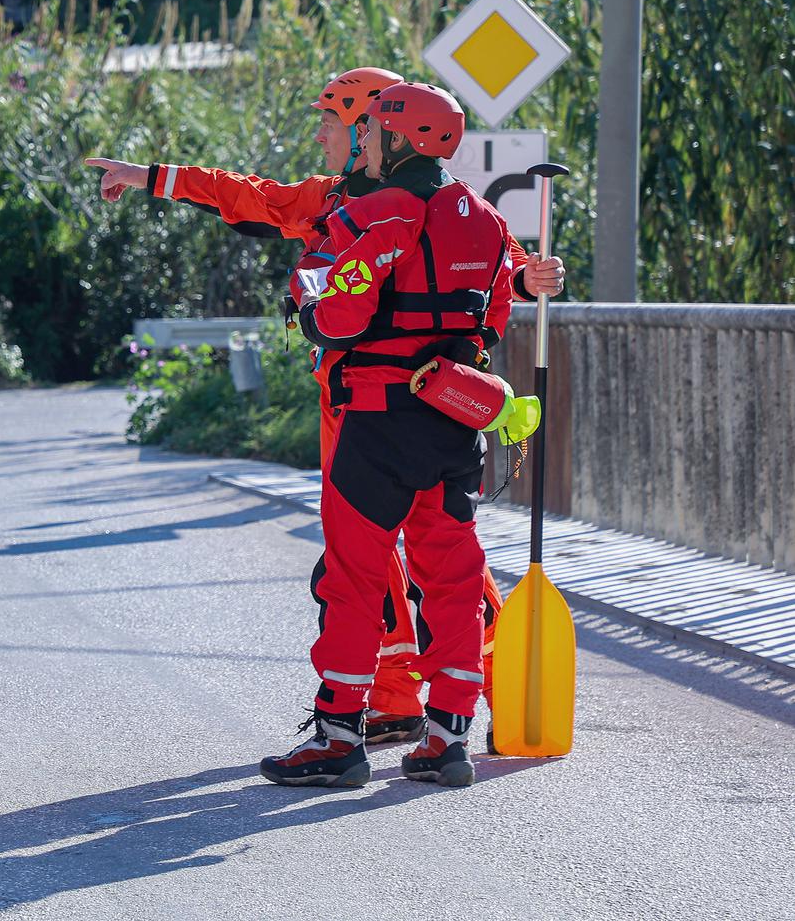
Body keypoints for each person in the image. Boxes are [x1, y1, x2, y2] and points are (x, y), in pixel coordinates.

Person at [87, 67, 565, 746]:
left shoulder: (394, 209)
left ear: (379, 127)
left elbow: (498, 264)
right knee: (401, 562)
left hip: (384, 401)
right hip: (362, 399)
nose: (326, 134)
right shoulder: (333, 197)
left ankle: (461, 698)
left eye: (338, 123)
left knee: (395, 564)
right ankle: (403, 701)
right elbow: (242, 195)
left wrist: (527, 274)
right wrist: (148, 175)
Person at [264, 81, 514, 788]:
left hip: (375, 425)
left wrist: (307, 309)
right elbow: (495, 311)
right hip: (452, 422)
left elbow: (333, 314)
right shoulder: (488, 221)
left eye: (374, 131)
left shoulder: (377, 214)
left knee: (353, 581)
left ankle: (338, 738)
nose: (365, 141)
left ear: (403, 140)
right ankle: (447, 738)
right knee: (455, 580)